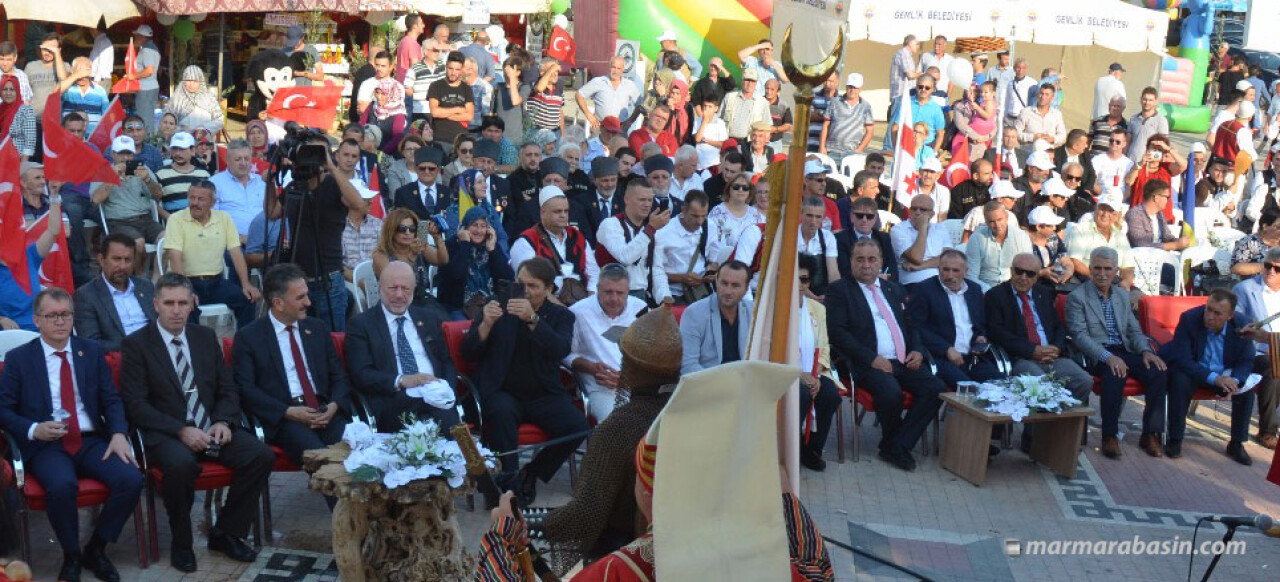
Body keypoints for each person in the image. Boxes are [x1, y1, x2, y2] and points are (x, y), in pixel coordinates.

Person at [120, 274, 274, 572]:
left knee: (260, 455)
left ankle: (226, 532)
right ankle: (181, 542)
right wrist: (180, 430)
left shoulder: (203, 338)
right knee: (181, 465)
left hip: (210, 426)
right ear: (156, 305)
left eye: (182, 303)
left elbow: (228, 389)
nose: (176, 310)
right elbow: (136, 405)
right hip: (167, 433)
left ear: (193, 304)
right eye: (169, 303)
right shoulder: (136, 345)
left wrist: (223, 421)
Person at [3, 287, 143, 582]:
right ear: (37, 320)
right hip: (46, 443)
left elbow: (112, 399)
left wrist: (118, 433)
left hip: (91, 439)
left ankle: (96, 548)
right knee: (62, 486)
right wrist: (33, 429)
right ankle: (71, 554)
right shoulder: (18, 359)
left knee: (131, 479)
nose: (59, 321)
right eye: (51, 315)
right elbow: (3, 409)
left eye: (65, 314)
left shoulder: (90, 352)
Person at [537, 306, 682, 561]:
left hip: (623, 557)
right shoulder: (687, 415)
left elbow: (584, 515)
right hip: (677, 551)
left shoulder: (616, 431)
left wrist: (523, 524)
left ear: (630, 367)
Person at [463, 257, 589, 505]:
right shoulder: (497, 305)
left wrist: (533, 320)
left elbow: (560, 349)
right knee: (500, 413)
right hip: (501, 389)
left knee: (578, 426)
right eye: (521, 283)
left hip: (543, 392)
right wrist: (485, 325)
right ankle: (508, 484)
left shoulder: (561, 316)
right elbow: (469, 353)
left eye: (533, 286)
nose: (525, 291)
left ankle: (531, 473)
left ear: (549, 289)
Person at [827, 239, 944, 471]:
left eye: (872, 259)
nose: (866, 265)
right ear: (851, 262)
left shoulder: (894, 289)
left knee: (935, 388)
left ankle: (897, 444)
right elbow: (838, 333)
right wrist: (872, 358)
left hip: (903, 359)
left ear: (881, 261)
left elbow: (912, 326)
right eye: (860, 259)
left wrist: (918, 351)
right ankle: (895, 446)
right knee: (890, 393)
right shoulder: (839, 291)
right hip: (866, 362)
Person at [232, 264, 351, 478]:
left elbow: (339, 376)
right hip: (287, 420)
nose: (308, 302)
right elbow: (246, 389)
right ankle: (345, 513)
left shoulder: (316, 328)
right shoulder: (249, 337)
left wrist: (334, 406)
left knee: (357, 457)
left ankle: (363, 511)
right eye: (301, 297)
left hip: (325, 413)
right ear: (278, 303)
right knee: (324, 463)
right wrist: (288, 412)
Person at [1066, 247, 1169, 459]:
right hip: (1096, 353)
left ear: (1115, 271)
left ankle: (1150, 433)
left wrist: (1146, 351)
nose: (1102, 274)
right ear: (1090, 269)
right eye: (1097, 268)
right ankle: (1109, 435)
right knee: (1115, 372)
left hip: (1124, 350)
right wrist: (1108, 357)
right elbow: (1079, 336)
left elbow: (1134, 330)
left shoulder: (1122, 295)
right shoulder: (1078, 297)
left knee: (1158, 371)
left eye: (1107, 269)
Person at [348, 257, 467, 433]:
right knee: (439, 424)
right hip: (394, 399)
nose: (399, 295)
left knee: (444, 418)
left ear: (414, 289)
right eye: (392, 288)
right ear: (380, 287)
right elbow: (361, 374)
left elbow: (445, 361)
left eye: (405, 289)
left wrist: (447, 390)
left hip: (434, 396)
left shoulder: (428, 319)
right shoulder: (362, 324)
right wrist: (402, 380)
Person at [283, 138, 370, 331]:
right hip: (298, 277)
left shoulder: (333, 184)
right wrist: (272, 181)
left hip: (328, 279)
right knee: (301, 336)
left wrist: (331, 166)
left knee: (332, 339)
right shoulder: (295, 187)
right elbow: (272, 212)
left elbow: (358, 204)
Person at [1162, 289, 1257, 463]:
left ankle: (1237, 443)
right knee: (1179, 379)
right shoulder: (1189, 319)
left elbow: (1246, 360)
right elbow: (1183, 359)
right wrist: (1214, 378)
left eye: (1217, 313)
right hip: (1195, 371)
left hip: (1224, 374)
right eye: (1208, 309)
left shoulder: (1242, 324)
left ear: (1230, 316)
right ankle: (1175, 439)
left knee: (1245, 390)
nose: (1210, 316)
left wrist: (1235, 381)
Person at [985, 252, 1094, 401]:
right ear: (1011, 271)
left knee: (1083, 380)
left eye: (1029, 274)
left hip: (1051, 357)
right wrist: (1031, 350)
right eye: (1019, 271)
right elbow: (997, 332)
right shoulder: (996, 295)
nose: (1023, 277)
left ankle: (1065, 423)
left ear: (1036, 277)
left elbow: (1059, 326)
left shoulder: (1043, 293)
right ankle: (1038, 424)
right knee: (1040, 384)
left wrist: (1056, 347)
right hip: (1020, 357)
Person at [161, 181, 260, 328]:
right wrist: (185, 289)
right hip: (186, 281)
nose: (195, 203)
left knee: (248, 300)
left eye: (201, 199)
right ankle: (194, 349)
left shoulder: (224, 218)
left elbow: (236, 254)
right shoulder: (176, 219)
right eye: (192, 198)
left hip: (216, 282)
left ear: (212, 203)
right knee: (185, 307)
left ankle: (243, 347)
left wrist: (246, 284)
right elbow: (175, 258)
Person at [910, 249, 1004, 386]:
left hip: (973, 357)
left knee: (1001, 384)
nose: (950, 275)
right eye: (945, 270)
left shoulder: (974, 290)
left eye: (956, 270)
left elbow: (980, 323)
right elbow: (917, 327)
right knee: (969, 389)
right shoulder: (924, 290)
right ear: (938, 269)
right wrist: (946, 349)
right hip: (942, 358)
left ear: (965, 271)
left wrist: (980, 336)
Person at [566, 264, 647, 422]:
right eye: (608, 292)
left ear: (628, 291)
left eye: (620, 293)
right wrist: (590, 367)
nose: (614, 298)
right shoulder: (578, 312)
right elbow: (565, 353)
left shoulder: (640, 309)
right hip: (600, 388)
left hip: (637, 385)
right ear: (597, 288)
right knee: (618, 426)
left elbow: (650, 351)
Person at [508, 184, 599, 296]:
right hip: (544, 304)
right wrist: (561, 310)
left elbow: (593, 273)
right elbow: (531, 285)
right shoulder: (526, 242)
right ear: (542, 213)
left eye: (566, 211)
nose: (563, 215)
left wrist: (590, 300)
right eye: (557, 211)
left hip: (581, 300)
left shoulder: (577, 237)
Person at [0, 173, 63, 331]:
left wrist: (54, 196)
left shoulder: (29, 256)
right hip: (8, 334)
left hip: (39, 330)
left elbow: (53, 231)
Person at [73, 234, 157, 352]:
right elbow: (90, 343)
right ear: (102, 260)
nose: (122, 266)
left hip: (156, 352)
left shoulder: (145, 286)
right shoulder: (86, 295)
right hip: (123, 358)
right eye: (117, 259)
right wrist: (135, 344)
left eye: (127, 260)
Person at [598, 178, 671, 305]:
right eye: (642, 200)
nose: (647, 204)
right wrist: (650, 229)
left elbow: (657, 270)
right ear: (626, 199)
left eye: (650, 200)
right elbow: (625, 257)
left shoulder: (652, 229)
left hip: (641, 295)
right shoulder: (610, 224)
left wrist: (664, 298)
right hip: (611, 296)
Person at [438, 207, 513, 319]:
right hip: (459, 307)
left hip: (490, 304)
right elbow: (456, 275)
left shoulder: (491, 246)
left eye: (483, 226)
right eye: (474, 225)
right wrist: (465, 245)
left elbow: (508, 278)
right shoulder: (452, 245)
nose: (479, 231)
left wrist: (492, 250)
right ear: (465, 227)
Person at [679, 260, 752, 374]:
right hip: (707, 385)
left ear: (746, 288)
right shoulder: (694, 313)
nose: (728, 291)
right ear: (716, 281)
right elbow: (688, 366)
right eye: (724, 283)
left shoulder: (753, 312)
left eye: (735, 285)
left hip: (745, 384)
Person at [659, 190, 721, 303]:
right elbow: (653, 273)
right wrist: (682, 278)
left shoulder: (710, 226)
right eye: (695, 216)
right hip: (673, 295)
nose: (700, 221)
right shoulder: (664, 232)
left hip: (701, 292)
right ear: (683, 210)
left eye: (704, 216)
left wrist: (711, 272)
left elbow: (713, 260)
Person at [1064, 193, 1136, 290]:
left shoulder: (1120, 236)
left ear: (1117, 215)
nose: (1105, 214)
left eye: (1110, 211)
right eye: (1102, 209)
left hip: (1113, 280)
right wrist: (1097, 279)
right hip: (1086, 279)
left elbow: (1128, 267)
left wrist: (1126, 282)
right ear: (1095, 209)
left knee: (1139, 298)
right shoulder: (1080, 230)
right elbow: (1075, 261)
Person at [964, 201, 1032, 290]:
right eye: (992, 221)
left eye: (1000, 219)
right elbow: (971, 275)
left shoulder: (1021, 236)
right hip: (985, 289)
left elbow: (1027, 268)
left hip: (1013, 288)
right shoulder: (976, 238)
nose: (997, 225)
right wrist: (989, 291)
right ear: (986, 221)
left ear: (1007, 217)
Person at [889, 194, 952, 286]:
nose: (917, 213)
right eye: (914, 209)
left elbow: (949, 258)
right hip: (913, 282)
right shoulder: (898, 229)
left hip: (941, 280)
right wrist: (922, 228)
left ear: (932, 214)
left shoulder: (940, 228)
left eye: (923, 210)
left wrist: (921, 266)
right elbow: (916, 258)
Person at [210, 140, 267, 242]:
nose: (243, 163)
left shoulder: (262, 182)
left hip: (265, 242)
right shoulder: (215, 183)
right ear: (227, 160)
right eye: (238, 159)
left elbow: (273, 214)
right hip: (231, 243)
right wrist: (238, 238)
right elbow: (211, 219)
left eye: (247, 159)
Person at [835, 196, 898, 283]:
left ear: (875, 219)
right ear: (852, 217)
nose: (864, 220)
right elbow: (844, 271)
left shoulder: (884, 238)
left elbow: (893, 271)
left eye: (869, 216)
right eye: (859, 216)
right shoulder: (840, 239)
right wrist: (875, 277)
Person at [154, 131, 211, 219]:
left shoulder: (204, 175)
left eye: (182, 149)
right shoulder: (160, 174)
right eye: (175, 149)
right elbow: (154, 203)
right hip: (174, 223)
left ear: (192, 151)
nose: (177, 153)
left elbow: (210, 202)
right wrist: (170, 219)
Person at [577, 57, 641, 133]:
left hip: (620, 129)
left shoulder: (630, 85)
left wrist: (630, 121)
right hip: (600, 128)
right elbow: (579, 95)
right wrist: (588, 114)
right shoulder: (599, 81)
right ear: (609, 67)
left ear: (623, 70)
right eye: (613, 67)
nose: (615, 71)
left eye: (619, 68)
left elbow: (640, 105)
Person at [425, 51, 474, 152]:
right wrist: (458, 109)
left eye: (457, 69)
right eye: (450, 68)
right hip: (440, 139)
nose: (453, 72)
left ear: (462, 70)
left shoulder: (467, 89)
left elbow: (469, 116)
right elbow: (435, 112)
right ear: (446, 66)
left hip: (461, 141)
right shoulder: (435, 86)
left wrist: (445, 113)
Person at [820, 73, 875, 163]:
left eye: (855, 87)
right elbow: (826, 125)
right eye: (850, 87)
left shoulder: (866, 106)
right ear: (846, 87)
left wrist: (860, 149)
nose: (852, 90)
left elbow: (870, 131)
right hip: (832, 151)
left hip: (852, 153)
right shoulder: (834, 102)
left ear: (861, 89)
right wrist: (822, 147)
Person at [1126, 179, 1191, 252]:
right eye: (1167, 197)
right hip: (1142, 259)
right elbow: (1141, 245)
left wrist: (1182, 242)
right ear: (1156, 198)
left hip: (1162, 257)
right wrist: (1175, 245)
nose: (1168, 200)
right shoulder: (1134, 215)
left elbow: (1168, 237)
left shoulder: (1160, 215)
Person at [885, 35, 922, 150]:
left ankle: (894, 145)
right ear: (910, 43)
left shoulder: (908, 56)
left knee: (900, 120)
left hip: (906, 93)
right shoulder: (903, 54)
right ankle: (888, 146)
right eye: (916, 44)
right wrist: (922, 74)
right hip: (901, 93)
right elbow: (910, 75)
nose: (918, 47)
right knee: (895, 121)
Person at [893, 74, 945, 155]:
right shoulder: (906, 104)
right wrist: (895, 149)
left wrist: (933, 153)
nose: (923, 89)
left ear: (933, 89)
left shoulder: (936, 109)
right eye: (921, 86)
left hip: (926, 149)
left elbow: (940, 134)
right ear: (916, 87)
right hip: (906, 147)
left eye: (927, 88)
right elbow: (895, 128)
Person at [577, 156, 622, 246]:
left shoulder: (624, 201)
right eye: (605, 180)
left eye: (613, 180)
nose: (610, 184)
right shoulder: (582, 202)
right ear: (594, 180)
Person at [393, 146, 448, 220]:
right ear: (416, 169)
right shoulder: (403, 193)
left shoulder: (447, 192)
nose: (426, 172)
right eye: (422, 168)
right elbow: (399, 221)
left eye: (431, 169)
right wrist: (424, 228)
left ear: (438, 170)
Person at [166, 65, 224, 133]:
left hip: (204, 141)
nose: (191, 84)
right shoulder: (176, 99)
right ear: (184, 81)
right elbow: (165, 120)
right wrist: (180, 129)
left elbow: (220, 120)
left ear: (200, 82)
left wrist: (205, 130)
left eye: (195, 81)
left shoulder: (209, 98)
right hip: (181, 140)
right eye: (188, 80)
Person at [126, 25, 162, 133]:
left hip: (146, 89)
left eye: (137, 35)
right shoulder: (151, 48)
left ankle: (148, 143)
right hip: (149, 87)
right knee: (147, 118)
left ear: (142, 37)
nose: (135, 37)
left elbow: (149, 70)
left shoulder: (147, 50)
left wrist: (133, 76)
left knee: (145, 119)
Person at [952, 81, 999, 159]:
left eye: (975, 91)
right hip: (966, 139)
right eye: (969, 91)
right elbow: (961, 124)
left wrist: (985, 137)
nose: (972, 94)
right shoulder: (960, 106)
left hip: (983, 141)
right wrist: (976, 137)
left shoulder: (984, 103)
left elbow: (993, 123)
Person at [720, 70, 770, 143]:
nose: (749, 84)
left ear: (756, 83)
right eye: (747, 80)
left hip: (750, 143)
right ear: (742, 81)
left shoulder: (762, 102)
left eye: (752, 81)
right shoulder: (729, 97)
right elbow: (719, 118)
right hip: (728, 141)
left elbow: (767, 125)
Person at [404, 39, 446, 122]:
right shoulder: (415, 68)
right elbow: (407, 88)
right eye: (434, 50)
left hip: (439, 109)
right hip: (420, 110)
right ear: (425, 52)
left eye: (438, 51)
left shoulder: (443, 66)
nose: (437, 53)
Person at [1126, 87, 1170, 163]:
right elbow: (1127, 141)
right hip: (1130, 162)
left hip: (1148, 164)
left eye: (1150, 100)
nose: (1147, 102)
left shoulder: (1161, 120)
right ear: (1141, 100)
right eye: (1145, 99)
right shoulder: (1133, 118)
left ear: (1156, 101)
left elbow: (1164, 145)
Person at [1017, 83, 1066, 148]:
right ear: (1037, 95)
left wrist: (1053, 139)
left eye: (1047, 94)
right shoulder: (1026, 112)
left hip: (1048, 153)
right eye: (1041, 93)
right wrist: (1032, 137)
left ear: (1052, 97)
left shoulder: (1057, 114)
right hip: (1029, 152)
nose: (1043, 97)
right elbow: (1016, 133)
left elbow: (1062, 135)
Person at [525, 59, 565, 138]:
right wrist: (552, 69)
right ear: (542, 73)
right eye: (551, 71)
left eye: (556, 71)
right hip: (537, 131)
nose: (555, 74)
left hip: (555, 132)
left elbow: (560, 111)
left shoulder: (559, 85)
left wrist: (562, 134)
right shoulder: (535, 82)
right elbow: (539, 88)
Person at [1091, 128, 1133, 202]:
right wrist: (1104, 195)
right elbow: (1093, 182)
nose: (1114, 143)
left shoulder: (1129, 164)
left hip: (1119, 200)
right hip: (1100, 198)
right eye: (1111, 140)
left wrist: (1120, 200)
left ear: (1124, 144)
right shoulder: (1097, 159)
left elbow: (1128, 188)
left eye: (1118, 142)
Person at [0, 76, 35, 160]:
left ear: (17, 91)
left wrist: (22, 166)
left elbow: (30, 142)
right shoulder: (1, 109)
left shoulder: (25, 110)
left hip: (16, 160)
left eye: (12, 90)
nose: (8, 93)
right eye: (5, 89)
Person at [395, 13, 425, 82]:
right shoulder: (412, 43)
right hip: (409, 84)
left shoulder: (403, 41)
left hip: (401, 81)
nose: (424, 25)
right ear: (415, 26)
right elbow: (415, 67)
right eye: (421, 23)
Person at [90, 23, 114, 92]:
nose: (90, 31)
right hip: (98, 79)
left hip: (101, 80)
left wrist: (97, 81)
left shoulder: (104, 42)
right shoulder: (99, 41)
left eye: (91, 29)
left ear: (96, 29)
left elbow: (103, 63)